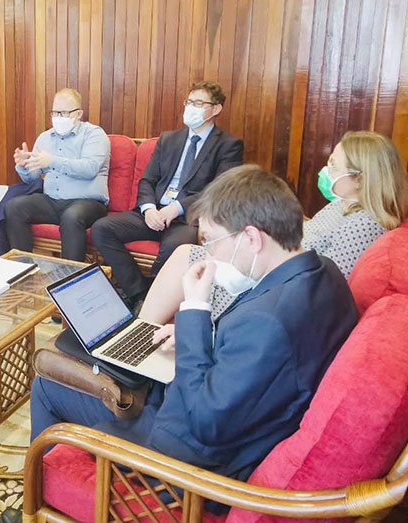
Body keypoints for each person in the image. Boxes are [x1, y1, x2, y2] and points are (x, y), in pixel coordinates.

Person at [31, 165, 358, 483]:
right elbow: (264, 361)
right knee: (123, 369)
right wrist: (197, 336)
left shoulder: (266, 320)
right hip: (226, 419)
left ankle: (38, 493)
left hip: (183, 460)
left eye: (213, 241)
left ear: (252, 238)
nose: (208, 254)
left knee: (47, 386)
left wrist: (196, 311)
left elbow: (205, 421)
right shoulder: (323, 273)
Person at [139, 130, 408, 325]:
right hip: (275, 263)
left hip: (272, 282)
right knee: (189, 253)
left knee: (187, 255)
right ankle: (143, 327)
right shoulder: (345, 203)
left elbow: (324, 280)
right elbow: (314, 234)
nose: (326, 170)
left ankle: (141, 330)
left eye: (334, 165)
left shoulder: (365, 225)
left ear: (360, 179)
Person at [91, 81, 243, 306]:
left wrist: (176, 207)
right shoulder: (169, 139)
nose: (191, 107)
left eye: (199, 103)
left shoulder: (228, 145)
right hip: (154, 212)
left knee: (177, 248)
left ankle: (153, 301)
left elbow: (219, 190)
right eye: (189, 102)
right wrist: (149, 208)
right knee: (102, 229)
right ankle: (138, 292)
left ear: (216, 109)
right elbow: (147, 179)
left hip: (187, 219)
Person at [4, 87, 110, 261]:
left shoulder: (94, 135)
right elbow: (32, 177)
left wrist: (52, 161)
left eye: (63, 113)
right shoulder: (45, 138)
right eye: (54, 113)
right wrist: (23, 166)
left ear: (78, 114)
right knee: (14, 207)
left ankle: (70, 278)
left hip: (88, 202)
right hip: (53, 201)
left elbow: (89, 168)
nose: (58, 118)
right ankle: (24, 268)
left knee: (71, 216)